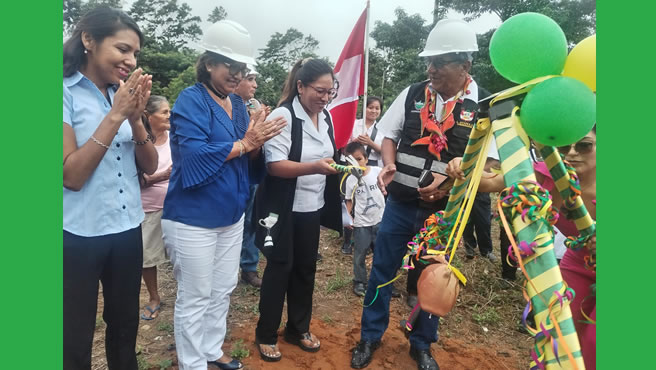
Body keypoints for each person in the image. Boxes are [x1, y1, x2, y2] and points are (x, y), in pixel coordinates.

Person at [350, 19, 491, 370]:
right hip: (400, 203)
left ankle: (422, 343)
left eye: (438, 63)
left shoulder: (482, 108)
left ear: (465, 66)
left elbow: (488, 167)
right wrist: (388, 164)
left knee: (432, 278)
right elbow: (387, 136)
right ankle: (370, 336)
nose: (430, 69)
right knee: (382, 270)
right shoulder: (413, 94)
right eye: (429, 62)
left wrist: (447, 184)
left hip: (443, 215)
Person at [160, 20, 286, 370]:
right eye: (230, 65)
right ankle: (192, 363)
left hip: (230, 215)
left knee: (222, 288)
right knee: (196, 295)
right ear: (210, 63)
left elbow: (245, 160)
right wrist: (245, 142)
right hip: (193, 218)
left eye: (241, 68)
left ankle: (211, 350)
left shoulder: (237, 104)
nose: (236, 74)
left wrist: (256, 144)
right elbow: (194, 156)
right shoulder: (191, 99)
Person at [446, 128, 597, 369]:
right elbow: (490, 181)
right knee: (559, 330)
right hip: (578, 261)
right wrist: (462, 166)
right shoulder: (550, 174)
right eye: (563, 147)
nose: (571, 153)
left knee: (594, 343)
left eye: (584, 146)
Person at [63, 7, 158, 369]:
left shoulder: (123, 96)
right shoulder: (63, 93)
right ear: (88, 40)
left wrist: (135, 119)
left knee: (124, 325)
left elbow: (148, 166)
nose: (130, 61)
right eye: (122, 49)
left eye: (135, 54)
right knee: (74, 332)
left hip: (126, 228)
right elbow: (71, 175)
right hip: (78, 233)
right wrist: (115, 115)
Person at [253, 58, 342, 362]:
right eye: (320, 91)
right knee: (280, 268)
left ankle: (297, 329)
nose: (325, 98)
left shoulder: (325, 116)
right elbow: (275, 166)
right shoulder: (284, 115)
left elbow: (329, 153)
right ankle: (266, 333)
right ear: (301, 86)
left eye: (330, 92)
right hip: (281, 208)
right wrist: (313, 167)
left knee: (306, 268)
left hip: (311, 206)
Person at [139, 95, 172, 320]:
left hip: (175, 207)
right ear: (149, 117)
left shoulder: (174, 138)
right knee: (147, 257)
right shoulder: (139, 142)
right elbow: (136, 179)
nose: (170, 115)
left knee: (181, 255)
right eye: (165, 112)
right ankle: (154, 297)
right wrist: (161, 176)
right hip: (148, 208)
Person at [234, 67, 265, 288]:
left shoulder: (254, 107)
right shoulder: (225, 107)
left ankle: (249, 267)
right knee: (233, 221)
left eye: (255, 80)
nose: (254, 85)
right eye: (250, 80)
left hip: (251, 174)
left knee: (252, 221)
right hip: (232, 174)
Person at [342, 96, 385, 255]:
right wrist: (354, 141)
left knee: (369, 201)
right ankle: (347, 240)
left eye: (377, 108)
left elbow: (384, 151)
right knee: (350, 199)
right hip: (353, 166)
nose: (373, 111)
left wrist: (370, 143)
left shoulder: (382, 129)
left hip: (372, 167)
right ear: (364, 108)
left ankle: (371, 240)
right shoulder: (354, 124)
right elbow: (344, 145)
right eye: (370, 107)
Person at [343, 142, 386, 297]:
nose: (356, 164)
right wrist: (347, 217)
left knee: (381, 252)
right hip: (362, 224)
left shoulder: (377, 171)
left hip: (380, 220)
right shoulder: (350, 180)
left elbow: (387, 185)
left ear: (366, 159)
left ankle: (382, 281)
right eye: (350, 161)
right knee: (360, 253)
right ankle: (360, 281)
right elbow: (349, 201)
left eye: (359, 159)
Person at [462, 192, 495, 261]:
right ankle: (469, 247)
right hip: (465, 193)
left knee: (484, 223)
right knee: (467, 224)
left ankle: (486, 250)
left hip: (481, 192)